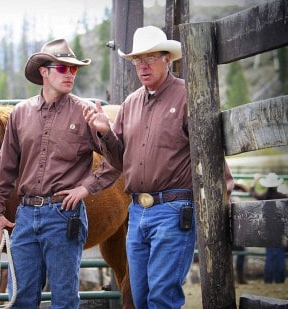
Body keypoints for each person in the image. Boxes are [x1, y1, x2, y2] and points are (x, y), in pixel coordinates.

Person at [83, 25, 234, 308]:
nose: (143, 65)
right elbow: (118, 161)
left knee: (162, 296)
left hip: (174, 211)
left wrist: (221, 203)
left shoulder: (189, 95)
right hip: (138, 212)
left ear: (168, 59)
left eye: (151, 58)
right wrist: (104, 131)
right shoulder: (130, 103)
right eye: (138, 60)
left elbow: (210, 154)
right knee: (139, 296)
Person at [0, 38, 121, 308]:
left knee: (64, 298)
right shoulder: (21, 113)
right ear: (44, 72)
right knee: (19, 298)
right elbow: (5, 166)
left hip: (64, 215)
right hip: (24, 216)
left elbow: (117, 160)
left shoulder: (85, 111)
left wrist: (87, 186)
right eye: (63, 68)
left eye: (74, 69)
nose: (70, 74)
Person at [249, 172, 286, 284]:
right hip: (279, 228)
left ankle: (268, 278)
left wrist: (255, 179)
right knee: (280, 254)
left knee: (269, 254)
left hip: (267, 228)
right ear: (276, 185)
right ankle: (280, 278)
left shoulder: (264, 197)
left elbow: (251, 192)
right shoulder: (282, 197)